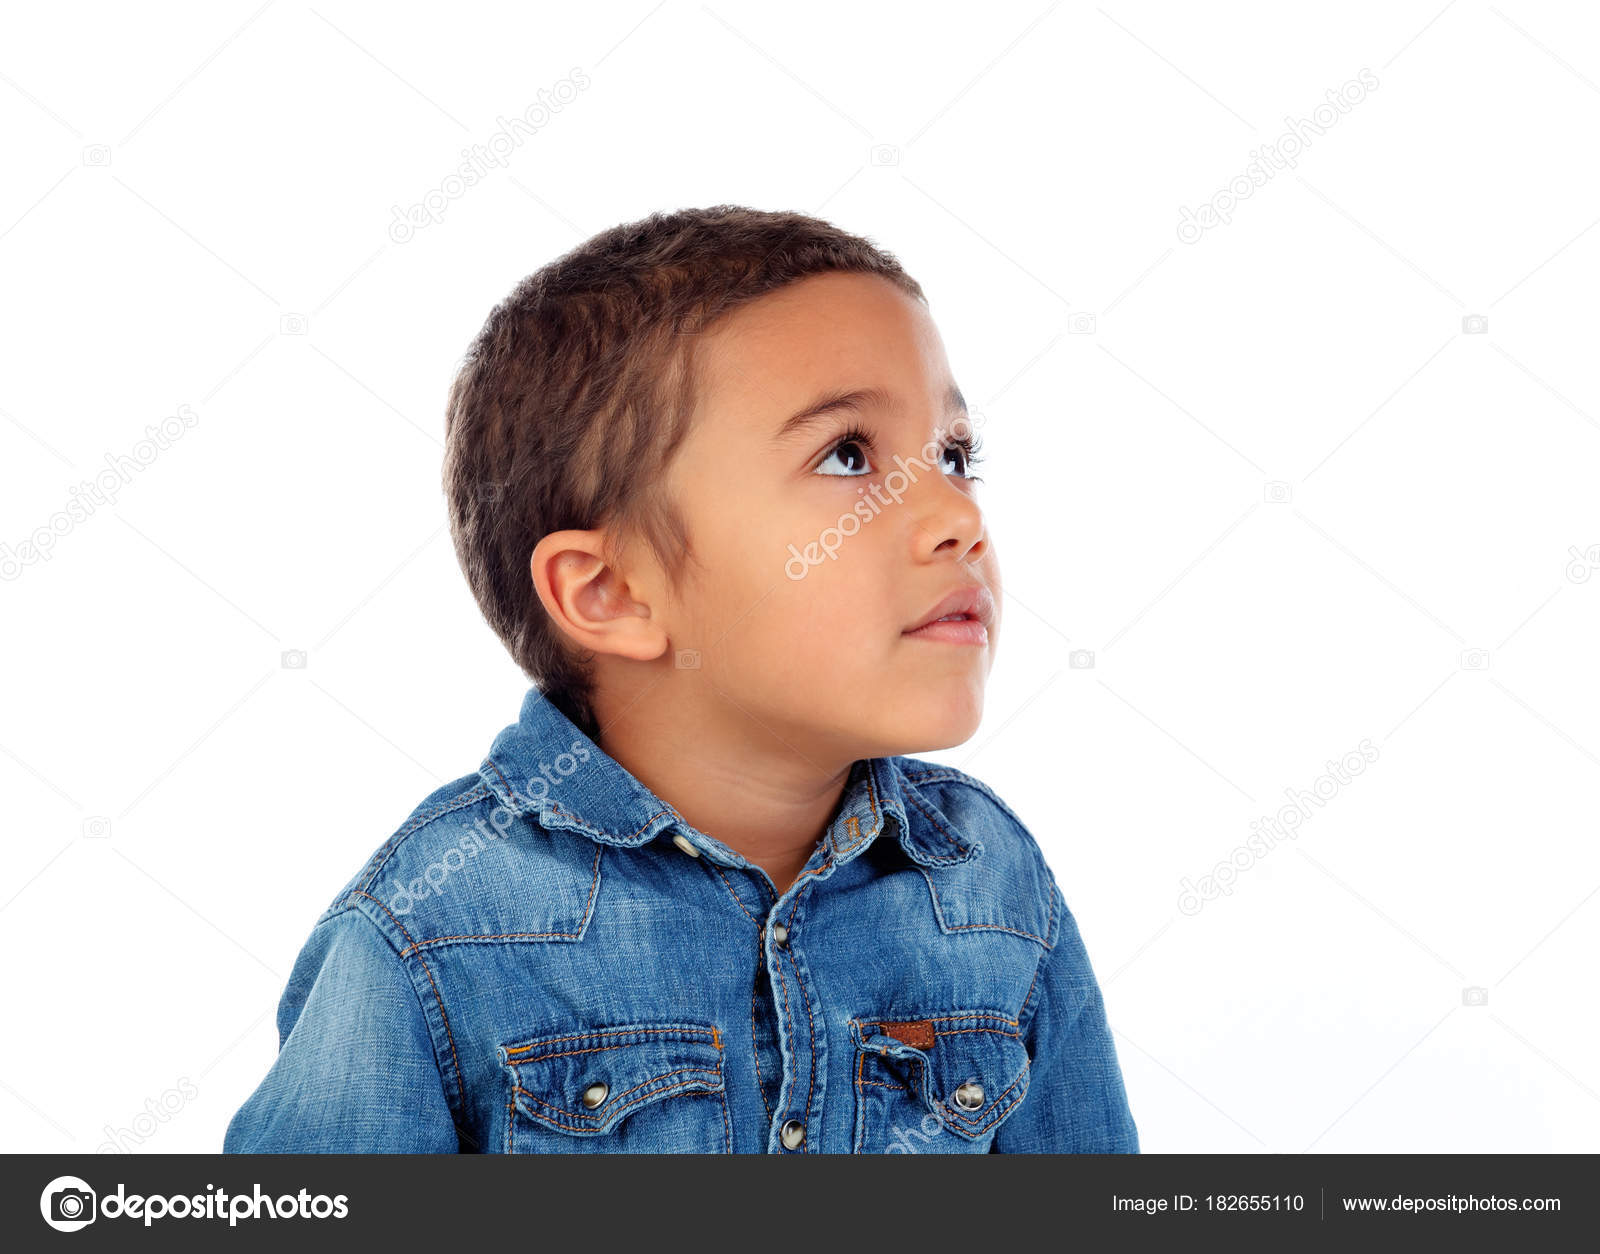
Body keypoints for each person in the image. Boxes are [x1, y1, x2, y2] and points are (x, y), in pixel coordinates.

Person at [223, 205, 1138, 1154]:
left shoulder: (992, 882)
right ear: (612, 591)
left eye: (954, 456)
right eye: (848, 456)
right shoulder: (435, 927)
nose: (957, 514)